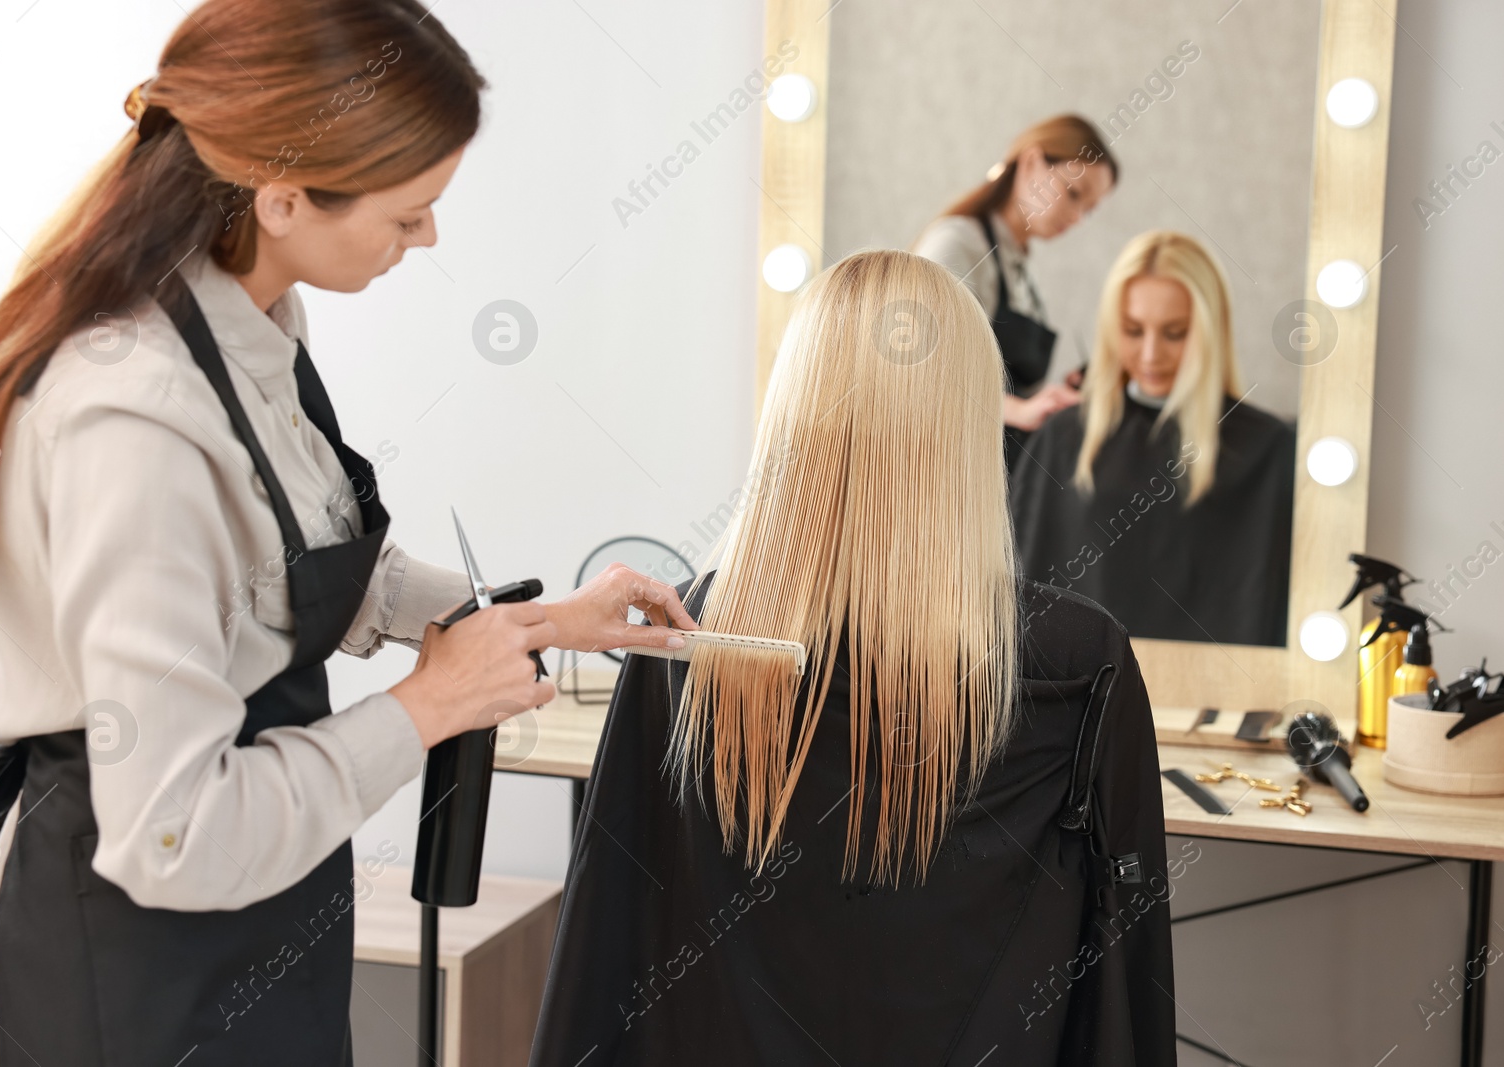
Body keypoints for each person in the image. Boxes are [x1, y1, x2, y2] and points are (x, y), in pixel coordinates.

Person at [0, 3, 695, 1064]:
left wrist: (541, 618)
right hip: (135, 957)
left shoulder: (253, 320)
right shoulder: (133, 420)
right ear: (280, 197)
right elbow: (176, 831)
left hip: (264, 910)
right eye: (409, 213)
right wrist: (428, 705)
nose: (428, 240)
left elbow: (292, 570)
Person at [530, 250, 1174, 1065]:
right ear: (970, 421)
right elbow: (1124, 967)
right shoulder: (1077, 655)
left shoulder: (696, 626)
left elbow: (609, 942)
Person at [1009, 231, 1295, 647]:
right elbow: (1021, 596)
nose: (1149, 354)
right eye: (1132, 330)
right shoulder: (1064, 438)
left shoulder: (1266, 447)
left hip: (1222, 700)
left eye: (1175, 333)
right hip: (1088, 699)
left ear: (1210, 330)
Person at [912, 115, 1118, 454]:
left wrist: (1049, 397)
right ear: (1032, 162)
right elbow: (919, 369)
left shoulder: (1024, 277)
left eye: (1089, 210)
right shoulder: (958, 245)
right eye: (1073, 193)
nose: (1077, 217)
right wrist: (1018, 410)